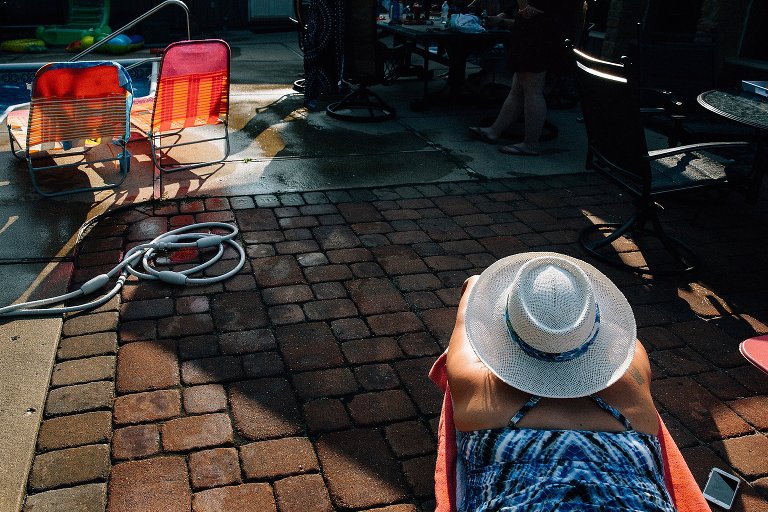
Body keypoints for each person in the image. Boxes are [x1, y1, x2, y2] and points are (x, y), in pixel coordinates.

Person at [446, 252, 676, 511]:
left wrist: (480, 281)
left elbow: (468, 312)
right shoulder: (634, 375)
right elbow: (620, 334)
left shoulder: (475, 385)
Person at [468, 0, 581, 155]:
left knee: (532, 89)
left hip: (537, 33)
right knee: (519, 86)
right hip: (546, 30)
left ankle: (531, 143)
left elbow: (531, 11)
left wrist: (522, 5)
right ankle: (494, 131)